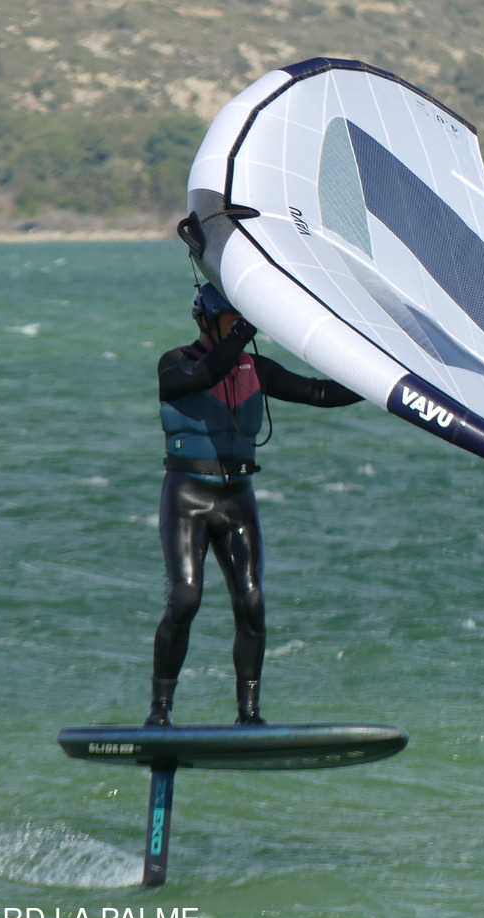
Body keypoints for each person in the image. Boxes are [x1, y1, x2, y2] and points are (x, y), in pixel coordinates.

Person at [147, 282, 363, 726]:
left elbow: (318, 393)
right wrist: (243, 331)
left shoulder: (255, 369)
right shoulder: (175, 364)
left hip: (237, 497)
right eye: (229, 322)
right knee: (185, 599)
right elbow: (205, 376)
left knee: (251, 603)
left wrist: (382, 386)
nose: (237, 331)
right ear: (206, 321)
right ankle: (160, 710)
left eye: (240, 323)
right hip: (187, 494)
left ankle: (249, 714)